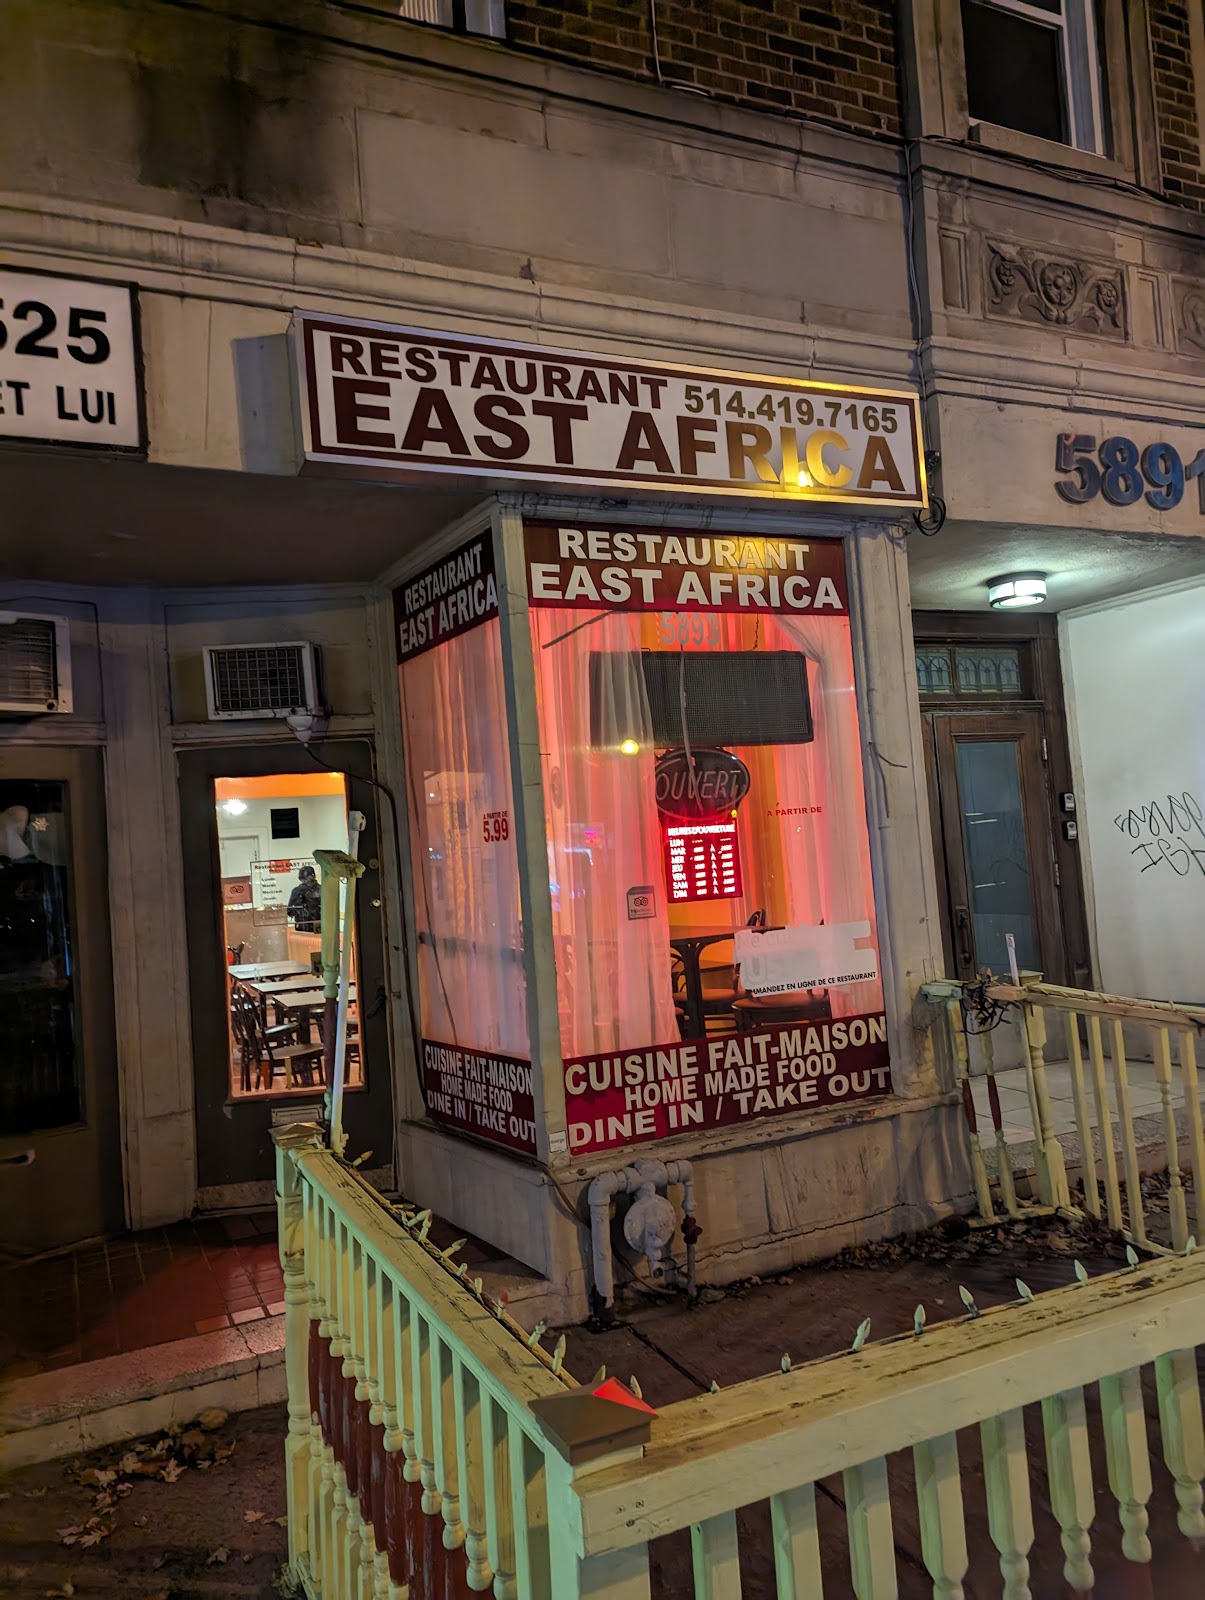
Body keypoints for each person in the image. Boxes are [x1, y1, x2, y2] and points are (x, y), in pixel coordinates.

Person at [287, 863, 322, 932]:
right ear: (314, 876)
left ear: (300, 878)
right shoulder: (322, 889)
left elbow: (290, 911)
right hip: (320, 927)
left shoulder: (297, 891)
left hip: (303, 927)